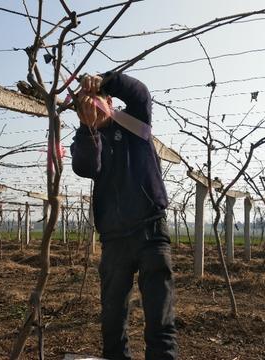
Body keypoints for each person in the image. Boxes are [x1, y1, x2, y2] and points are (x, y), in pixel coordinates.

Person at [70, 72, 178, 360]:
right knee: (112, 322)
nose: (92, 109)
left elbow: (140, 93)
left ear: (109, 101)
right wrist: (88, 128)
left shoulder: (134, 123)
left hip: (150, 232)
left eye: (96, 101)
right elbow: (86, 166)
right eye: (84, 107)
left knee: (160, 321)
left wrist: (103, 80)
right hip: (114, 240)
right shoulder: (90, 138)